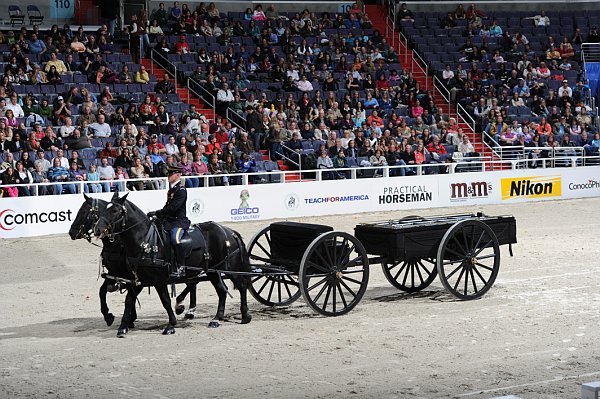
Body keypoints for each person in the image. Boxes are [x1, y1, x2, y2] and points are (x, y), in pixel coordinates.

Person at [148, 165, 191, 277]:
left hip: (179, 221)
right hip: (169, 221)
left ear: (178, 175)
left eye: (170, 174)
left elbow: (174, 208)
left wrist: (158, 212)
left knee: (175, 238)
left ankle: (181, 266)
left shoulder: (181, 190)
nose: (168, 176)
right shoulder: (172, 190)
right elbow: (168, 206)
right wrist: (158, 215)